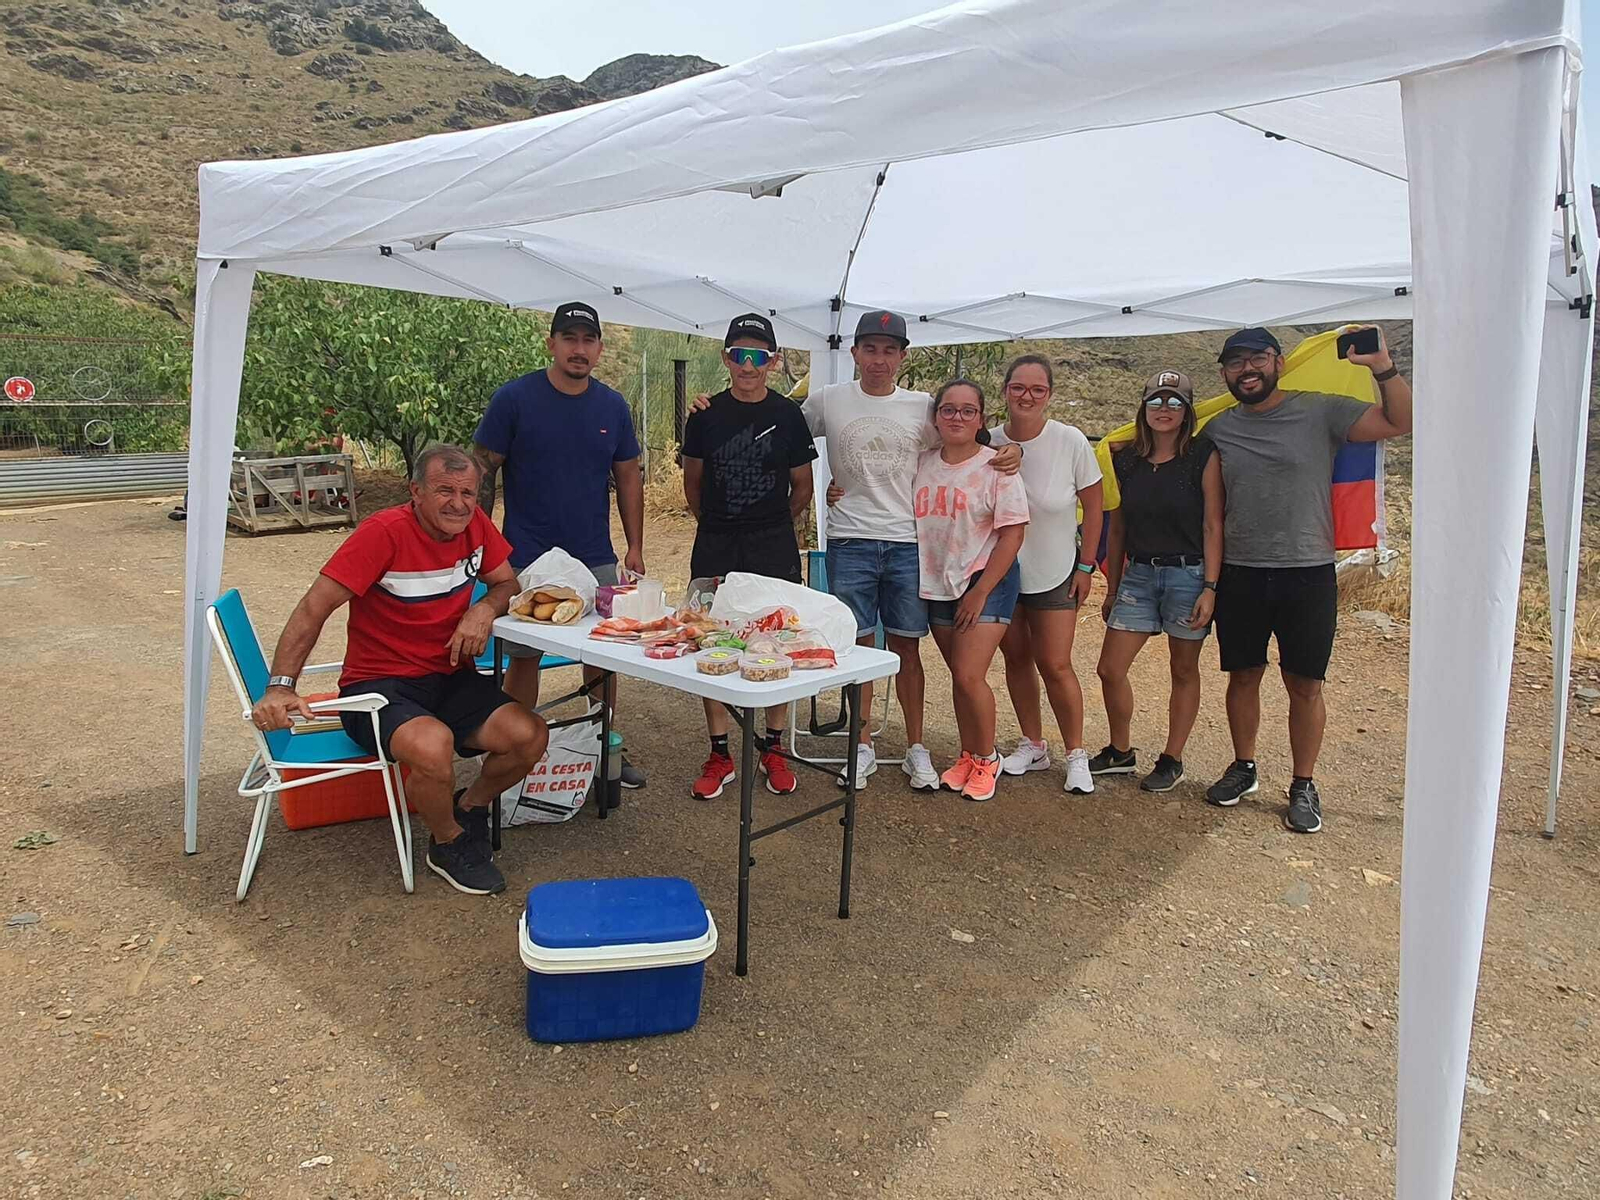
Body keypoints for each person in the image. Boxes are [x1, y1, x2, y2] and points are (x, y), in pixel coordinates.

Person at [250, 445, 549, 896]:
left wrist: (483, 609)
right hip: (377, 686)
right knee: (433, 746)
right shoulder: (382, 533)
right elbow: (314, 607)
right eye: (444, 490)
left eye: (468, 492)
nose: (458, 503)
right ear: (415, 492)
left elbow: (507, 582)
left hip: (448, 675)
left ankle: (467, 808)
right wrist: (280, 686)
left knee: (531, 735)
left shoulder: (476, 525)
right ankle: (446, 842)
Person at [1203, 326, 1412, 833]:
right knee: (1244, 675)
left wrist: (1382, 367)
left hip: (1307, 572)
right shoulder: (1219, 429)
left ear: (1277, 362)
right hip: (1241, 573)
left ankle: (1303, 783)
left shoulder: (1321, 410)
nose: (1246, 371)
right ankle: (1244, 767)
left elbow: (1400, 422)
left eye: (1256, 360)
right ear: (1225, 373)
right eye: (1235, 364)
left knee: (1304, 684)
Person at [804, 310, 1021, 791]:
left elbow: (973, 439)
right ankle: (860, 748)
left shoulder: (924, 405)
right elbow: (783, 432)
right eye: (870, 349)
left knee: (905, 647)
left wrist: (1015, 451)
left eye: (889, 350)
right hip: (851, 539)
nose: (879, 360)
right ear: (855, 352)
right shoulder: (828, 401)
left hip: (909, 543)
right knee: (859, 648)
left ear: (902, 356)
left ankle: (916, 748)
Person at [473, 301, 647, 789]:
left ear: (599, 349)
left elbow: (629, 476)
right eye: (569, 338)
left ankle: (605, 742)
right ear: (551, 344)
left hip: (594, 555)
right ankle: (513, 744)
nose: (579, 348)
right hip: (526, 554)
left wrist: (634, 547)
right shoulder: (514, 399)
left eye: (588, 340)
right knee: (524, 655)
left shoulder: (612, 406)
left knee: (604, 650)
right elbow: (483, 470)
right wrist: (480, 547)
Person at [680, 314, 818, 799]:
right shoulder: (705, 414)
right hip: (715, 543)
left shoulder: (789, 414)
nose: (749, 365)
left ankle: (773, 748)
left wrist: (771, 524)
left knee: (777, 640)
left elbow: (802, 486)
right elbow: (691, 484)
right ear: (726, 358)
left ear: (774, 361)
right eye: (740, 354)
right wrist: (717, 523)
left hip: (772, 544)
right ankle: (720, 752)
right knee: (711, 643)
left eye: (759, 356)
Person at [1091, 370, 1223, 793]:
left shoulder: (1203, 454)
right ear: (1143, 408)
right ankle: (1121, 750)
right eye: (1156, 402)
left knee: (1183, 669)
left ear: (1187, 411)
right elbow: (1117, 528)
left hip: (1189, 574)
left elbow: (1213, 525)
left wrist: (1211, 587)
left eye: (1174, 402)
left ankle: (1172, 758)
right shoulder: (1126, 459)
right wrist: (1111, 586)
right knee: (1110, 668)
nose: (1164, 410)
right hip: (1139, 574)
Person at [987, 354, 1105, 795]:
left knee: (1055, 663)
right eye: (1019, 387)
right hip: (1003, 569)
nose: (1027, 396)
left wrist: (1087, 565)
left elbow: (1094, 508)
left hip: (1057, 569)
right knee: (1015, 659)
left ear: (1049, 395)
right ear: (1006, 391)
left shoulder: (1070, 440)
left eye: (1038, 389)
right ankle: (1033, 744)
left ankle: (1076, 754)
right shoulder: (989, 440)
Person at [914, 379, 1030, 802]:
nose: (957, 417)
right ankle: (968, 753)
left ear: (981, 418)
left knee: (969, 674)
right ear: (936, 416)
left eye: (967, 411)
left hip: (986, 581)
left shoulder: (996, 467)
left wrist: (980, 592)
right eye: (948, 409)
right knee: (959, 679)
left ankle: (987, 758)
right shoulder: (923, 462)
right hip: (940, 581)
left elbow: (1013, 535)